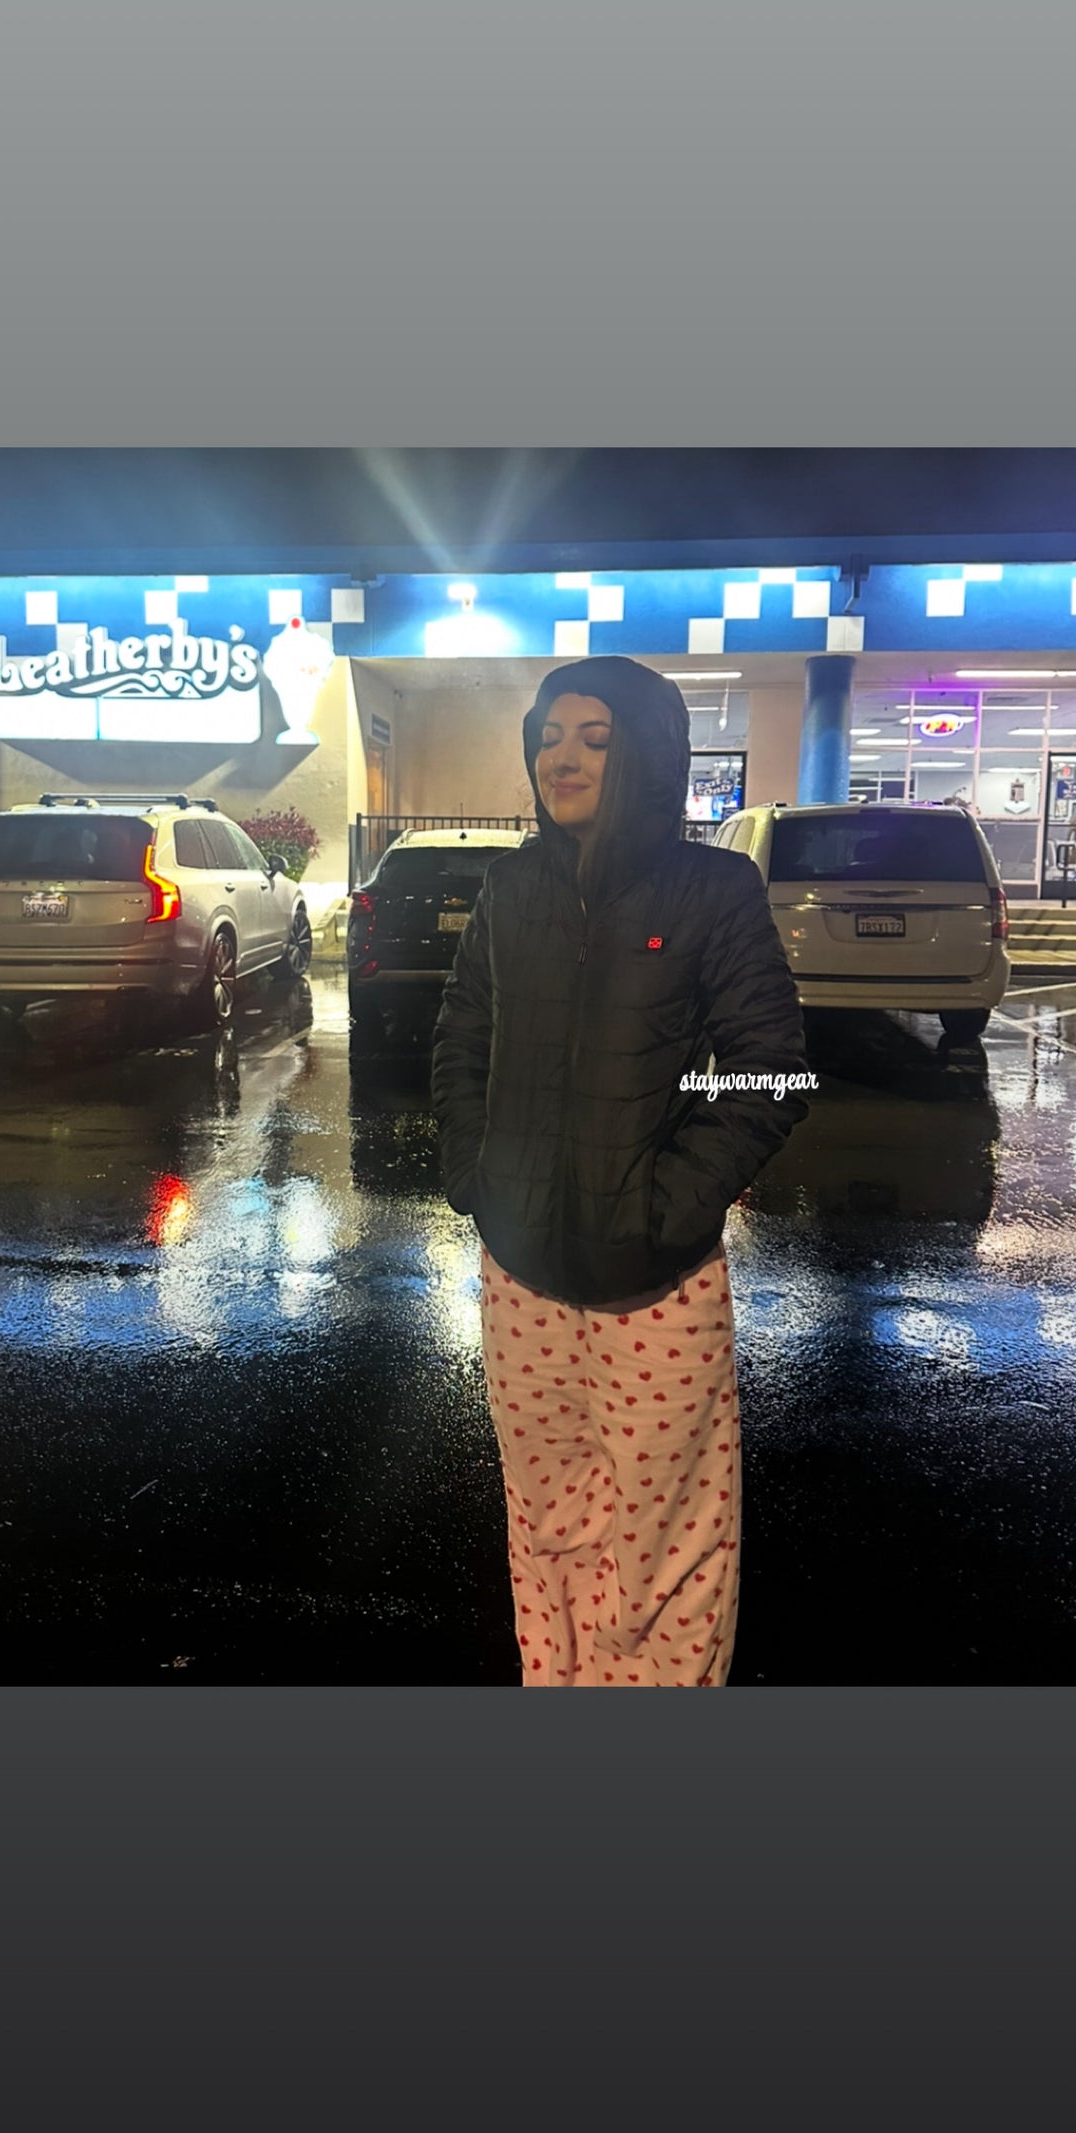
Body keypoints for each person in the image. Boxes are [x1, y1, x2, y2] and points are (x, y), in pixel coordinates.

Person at [431, 656, 811, 1686]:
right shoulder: (513, 886)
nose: (562, 758)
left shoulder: (711, 890)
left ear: (644, 756)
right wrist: (476, 1176)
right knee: (545, 1527)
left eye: (595, 740)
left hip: (656, 1292)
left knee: (665, 1552)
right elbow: (462, 1036)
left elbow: (773, 1070)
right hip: (521, 1285)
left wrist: (666, 1209)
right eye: (549, 737)